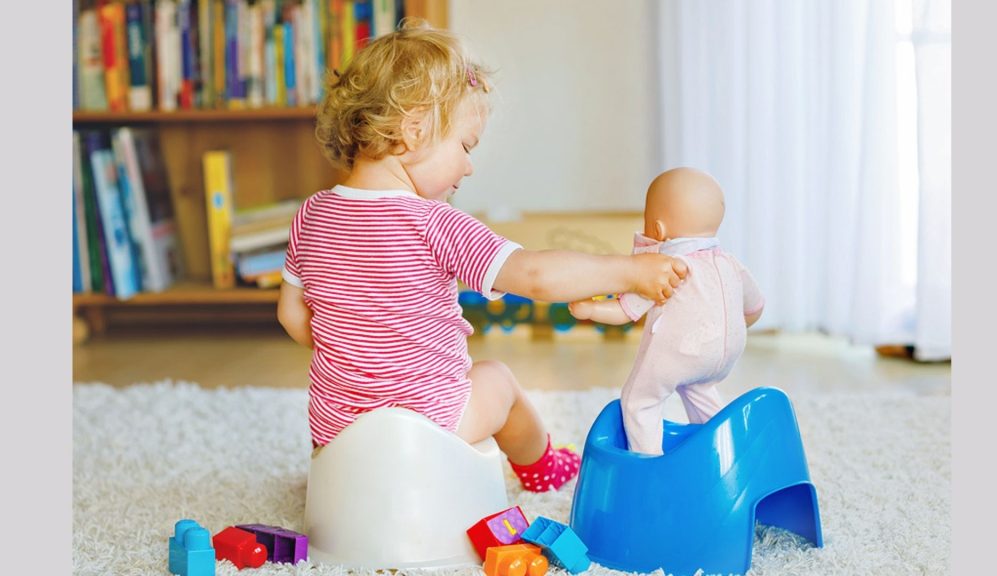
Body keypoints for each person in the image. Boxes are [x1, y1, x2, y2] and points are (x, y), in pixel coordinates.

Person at [276, 22, 688, 492]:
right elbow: (534, 276)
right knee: (497, 379)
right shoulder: (434, 222)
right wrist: (630, 270)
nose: (469, 165)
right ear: (414, 131)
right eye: (465, 146)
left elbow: (292, 315)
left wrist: (360, 351)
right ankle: (542, 468)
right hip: (430, 427)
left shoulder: (311, 214)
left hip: (336, 434)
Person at [568, 167, 764, 455]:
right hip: (725, 353)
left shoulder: (663, 268)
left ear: (657, 230)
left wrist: (590, 309)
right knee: (699, 388)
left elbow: (625, 310)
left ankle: (648, 463)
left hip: (680, 353)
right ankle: (721, 452)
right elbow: (755, 307)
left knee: (639, 401)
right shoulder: (730, 264)